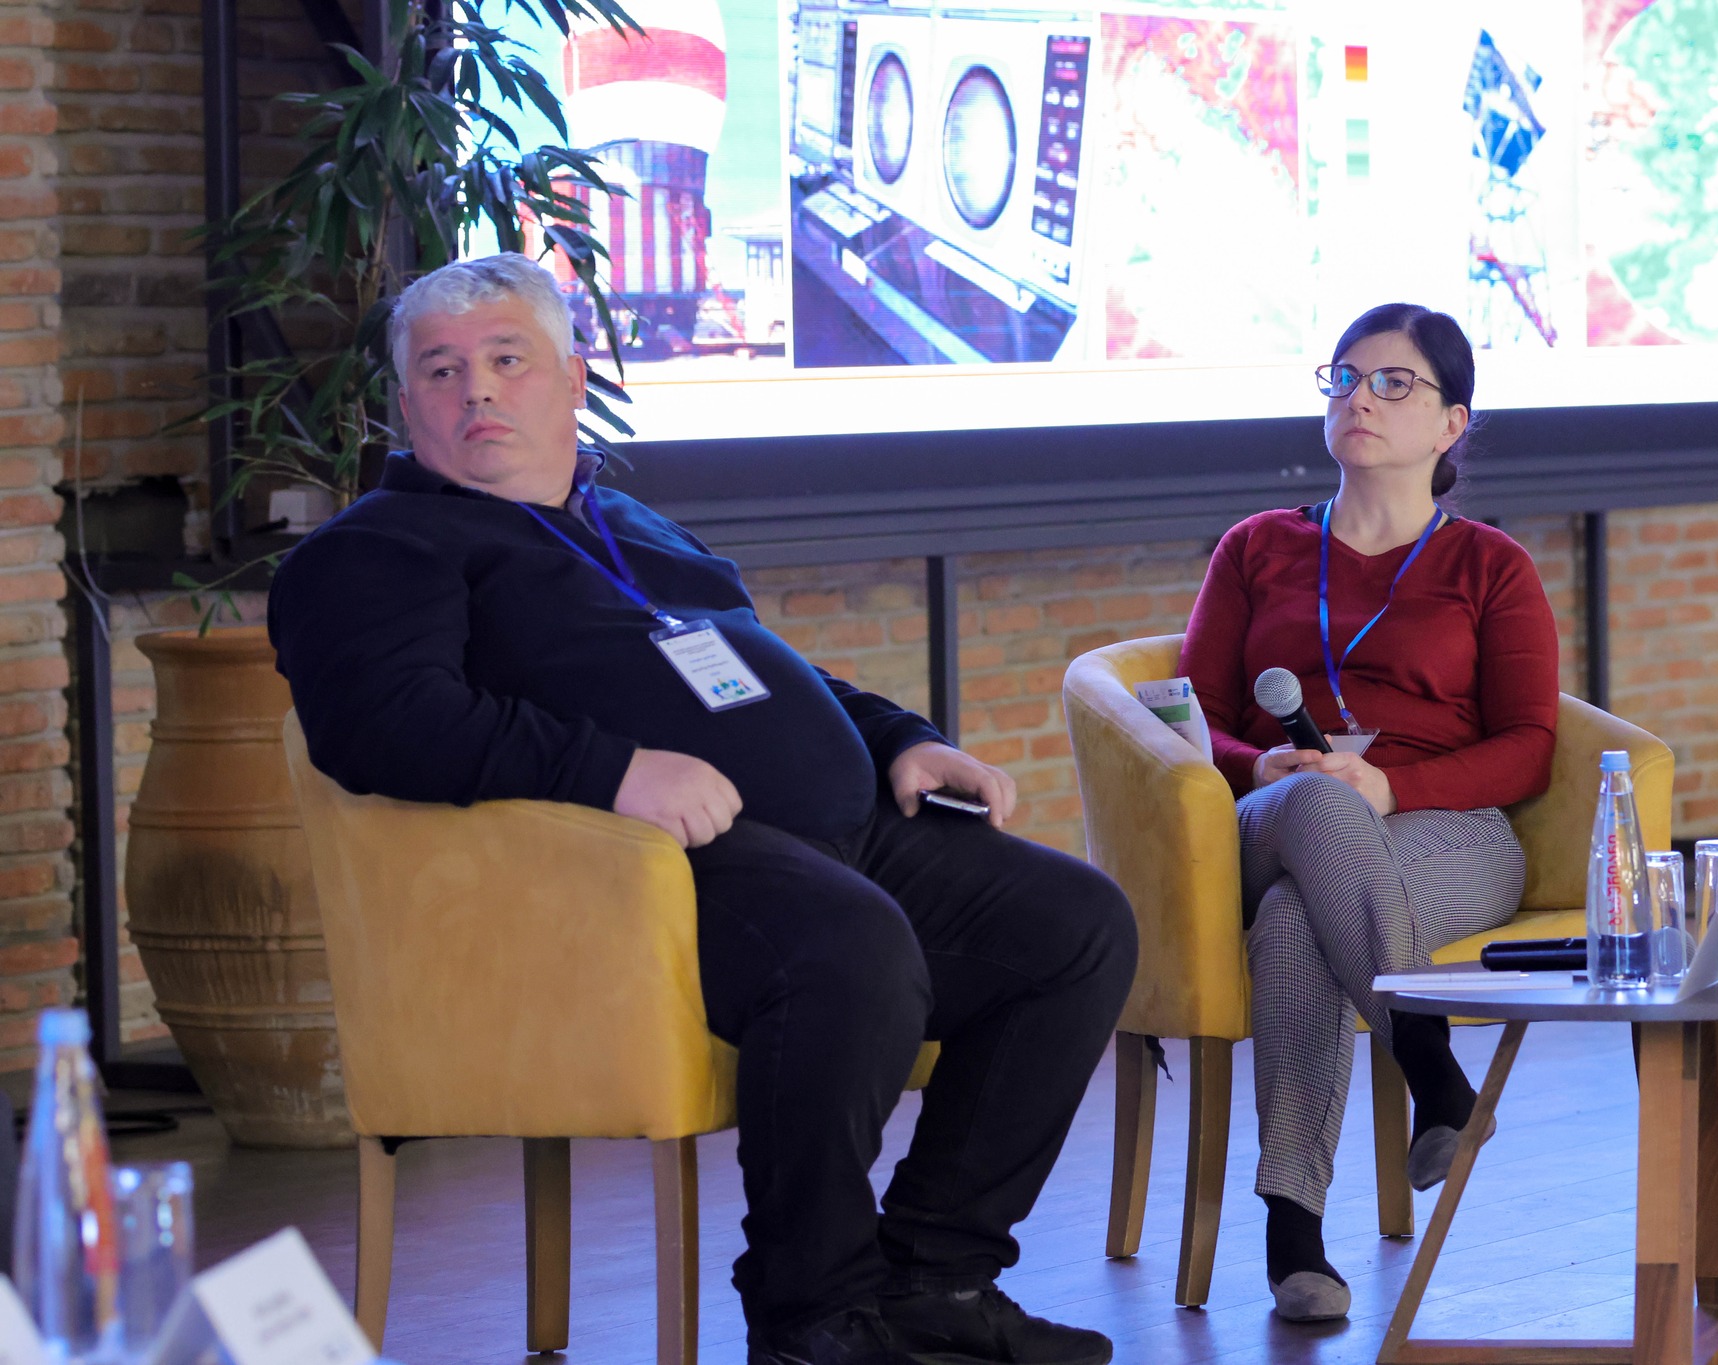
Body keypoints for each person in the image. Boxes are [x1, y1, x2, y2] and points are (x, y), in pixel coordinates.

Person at [268, 254, 1138, 1365]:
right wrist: (615, 771)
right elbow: (382, 725)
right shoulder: (375, 550)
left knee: (1074, 923)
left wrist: (896, 738)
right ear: (405, 404)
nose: (475, 388)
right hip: (624, 872)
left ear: (572, 380)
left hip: (828, 832)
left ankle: (938, 1275)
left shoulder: (623, 520)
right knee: (846, 947)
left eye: (506, 360)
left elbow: (759, 671)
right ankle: (810, 1313)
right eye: (442, 370)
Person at [1179, 304, 1558, 1322]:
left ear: (1451, 424)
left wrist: (1392, 786)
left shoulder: (1490, 565)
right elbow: (1190, 720)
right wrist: (1259, 764)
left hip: (1444, 830)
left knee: (1295, 921)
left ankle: (1292, 1234)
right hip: (1275, 815)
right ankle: (1430, 1067)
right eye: (1344, 377)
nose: (1360, 397)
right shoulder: (1255, 547)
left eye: (1394, 382)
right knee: (1316, 805)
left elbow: (1530, 744)